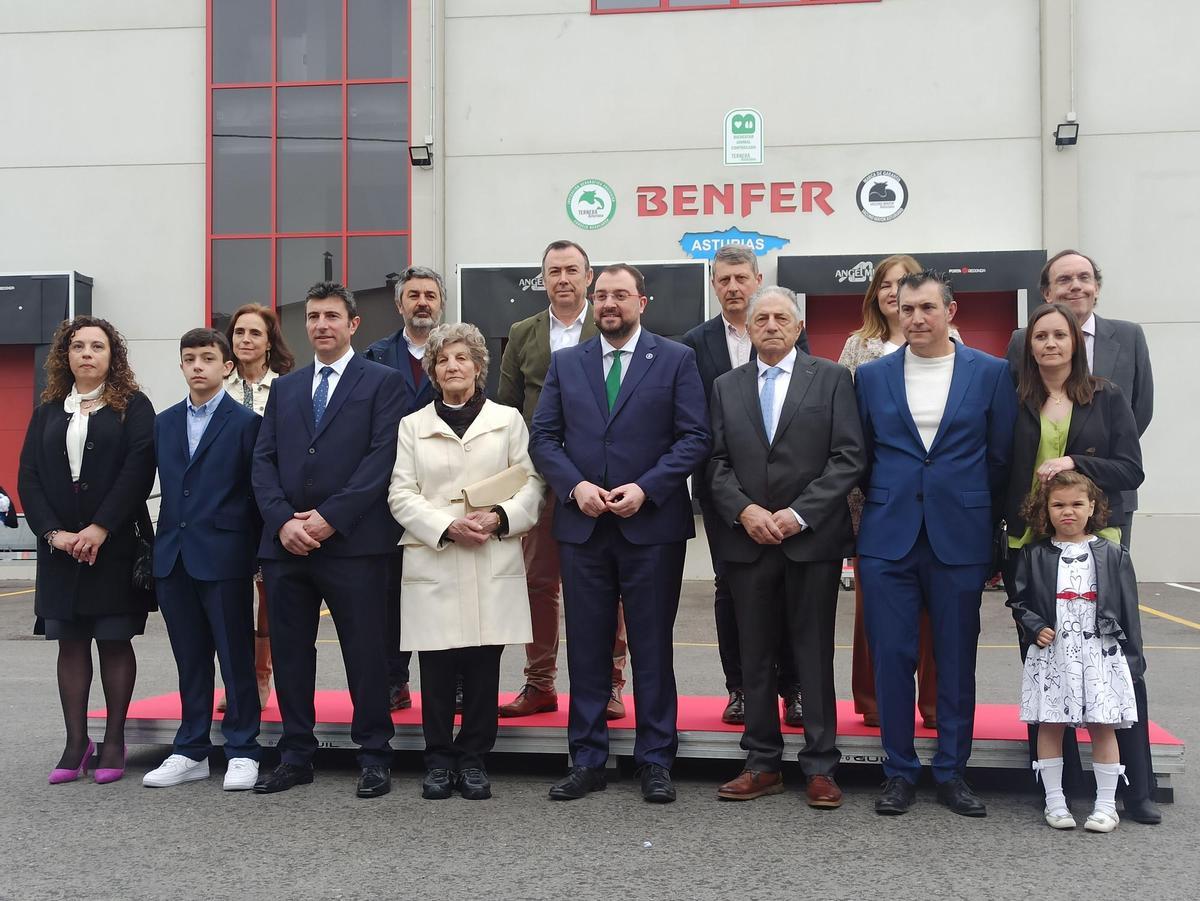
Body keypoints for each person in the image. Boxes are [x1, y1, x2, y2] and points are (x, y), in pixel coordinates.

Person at [530, 263, 710, 803]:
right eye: (602, 294)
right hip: (583, 526)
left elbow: (694, 437)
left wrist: (648, 488)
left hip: (650, 526)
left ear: (642, 302)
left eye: (621, 295)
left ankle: (655, 760)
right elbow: (544, 437)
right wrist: (573, 487)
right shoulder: (567, 363)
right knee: (586, 646)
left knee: (653, 646)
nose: (610, 303)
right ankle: (586, 758)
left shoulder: (676, 359)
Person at [855, 270, 1016, 818]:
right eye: (906, 309)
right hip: (887, 536)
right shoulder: (872, 377)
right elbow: (864, 455)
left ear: (952, 310)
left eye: (927, 307)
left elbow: (1000, 458)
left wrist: (982, 522)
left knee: (953, 659)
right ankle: (898, 772)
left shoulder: (991, 373)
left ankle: (952, 771)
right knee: (892, 660)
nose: (916, 318)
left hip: (959, 536)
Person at [707, 286, 864, 806]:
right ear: (748, 329)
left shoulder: (834, 379)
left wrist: (799, 515)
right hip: (748, 541)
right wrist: (745, 510)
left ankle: (820, 766)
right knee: (755, 656)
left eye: (782, 318)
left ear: (798, 328)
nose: (771, 325)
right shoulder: (726, 386)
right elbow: (713, 462)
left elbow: (848, 457)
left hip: (810, 541)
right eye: (762, 319)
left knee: (814, 655)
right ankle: (762, 763)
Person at [1002, 300, 1158, 824]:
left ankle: (1135, 792)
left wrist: (1074, 462)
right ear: (1028, 346)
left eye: (1059, 336)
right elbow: (999, 468)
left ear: (1076, 343)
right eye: (1039, 336)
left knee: (1118, 669)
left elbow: (1130, 468)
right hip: (1032, 550)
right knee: (1047, 669)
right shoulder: (1015, 398)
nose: (1049, 344)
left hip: (1097, 553)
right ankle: (1059, 791)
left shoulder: (1105, 396)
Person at [251, 282, 405, 799]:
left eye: (332, 316)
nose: (321, 324)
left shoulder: (383, 382)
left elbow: (381, 461)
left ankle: (374, 755)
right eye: (313, 316)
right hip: (287, 545)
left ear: (353, 324)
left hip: (355, 544)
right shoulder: (287, 388)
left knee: (366, 652)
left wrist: (329, 519)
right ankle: (296, 753)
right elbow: (263, 461)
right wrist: (282, 522)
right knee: (292, 653)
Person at [388, 323, 545, 801]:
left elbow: (532, 483)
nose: (452, 366)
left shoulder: (508, 420)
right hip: (436, 557)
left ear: (479, 367)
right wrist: (445, 526)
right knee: (436, 667)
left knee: (482, 666)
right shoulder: (413, 425)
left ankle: (474, 759)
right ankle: (438, 761)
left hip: (490, 555)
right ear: (432, 371)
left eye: (462, 358)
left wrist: (499, 517)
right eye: (442, 360)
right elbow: (400, 493)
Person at [18, 316, 156, 785]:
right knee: (70, 644)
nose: (87, 354)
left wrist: (100, 528)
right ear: (66, 356)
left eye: (97, 346)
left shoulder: (133, 407)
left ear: (111, 356)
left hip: (113, 547)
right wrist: (53, 533)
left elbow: (138, 470)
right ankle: (76, 743)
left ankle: (114, 740)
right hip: (60, 552)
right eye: (78, 346)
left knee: (114, 641)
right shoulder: (48, 410)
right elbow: (29, 477)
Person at [497, 240, 628, 720]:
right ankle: (539, 684)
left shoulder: (614, 325)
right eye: (554, 271)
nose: (564, 279)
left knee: (605, 585)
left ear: (589, 277)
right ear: (543, 278)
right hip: (542, 479)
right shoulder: (523, 332)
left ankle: (611, 684)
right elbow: (507, 411)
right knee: (538, 582)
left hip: (601, 482)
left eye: (573, 269)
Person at [681, 244, 806, 726]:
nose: (732, 288)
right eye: (723, 280)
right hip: (724, 490)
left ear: (757, 280)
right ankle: (738, 688)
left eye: (740, 278)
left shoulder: (787, 329)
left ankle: (792, 688)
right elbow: (694, 422)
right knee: (730, 588)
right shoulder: (695, 343)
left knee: (789, 589)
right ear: (714, 286)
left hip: (787, 494)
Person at [143, 328, 263, 791]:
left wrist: (253, 555)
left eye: (208, 358)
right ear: (181, 366)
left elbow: (255, 495)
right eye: (189, 358)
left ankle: (243, 749)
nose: (198, 366)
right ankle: (190, 748)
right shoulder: (164, 422)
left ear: (227, 366)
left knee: (236, 659)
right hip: (173, 555)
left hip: (226, 555)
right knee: (189, 660)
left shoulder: (245, 423)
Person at [837, 254, 940, 730]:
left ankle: (933, 703)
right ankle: (873, 699)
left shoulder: (948, 343)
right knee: (874, 609)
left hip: (933, 501)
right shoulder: (858, 347)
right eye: (886, 284)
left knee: (932, 611)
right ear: (875, 294)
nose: (895, 292)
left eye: (904, 283)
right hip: (871, 499)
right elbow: (842, 422)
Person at [1007, 472, 1142, 833]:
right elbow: (1019, 601)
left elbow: (1129, 608)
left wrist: (1133, 659)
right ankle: (1055, 801)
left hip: (1100, 652)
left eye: (1077, 504)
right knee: (1050, 723)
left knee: (1103, 724)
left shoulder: (1114, 553)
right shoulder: (1034, 554)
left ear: (1093, 507)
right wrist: (1034, 625)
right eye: (1059, 505)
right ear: (1045, 510)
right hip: (1054, 653)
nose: (1068, 512)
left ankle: (1105, 805)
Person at [1006, 249, 1153, 551]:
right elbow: (1012, 415)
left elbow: (1140, 409)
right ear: (1047, 292)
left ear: (1096, 287)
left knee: (1099, 592)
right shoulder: (1020, 340)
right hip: (1032, 512)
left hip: (1106, 503)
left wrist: (1092, 457)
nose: (1076, 285)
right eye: (1064, 279)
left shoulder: (1129, 336)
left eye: (1084, 277)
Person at [364, 266, 443, 712]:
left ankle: (449, 682)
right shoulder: (374, 357)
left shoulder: (458, 352)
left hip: (442, 493)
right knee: (389, 595)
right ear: (399, 305)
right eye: (413, 295)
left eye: (430, 295)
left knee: (439, 592)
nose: (422, 302)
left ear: (440, 303)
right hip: (385, 493)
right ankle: (394, 679)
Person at [221, 303, 296, 711]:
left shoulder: (286, 387)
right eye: (238, 333)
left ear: (269, 343)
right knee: (231, 600)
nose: (245, 340)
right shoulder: (217, 385)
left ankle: (263, 676)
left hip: (270, 505)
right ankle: (238, 683)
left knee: (270, 598)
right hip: (229, 507)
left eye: (254, 333)